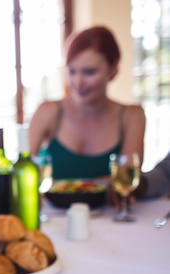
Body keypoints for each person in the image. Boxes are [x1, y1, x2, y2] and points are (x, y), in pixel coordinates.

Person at [29, 26, 145, 181]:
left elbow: (126, 179)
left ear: (113, 69)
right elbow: (23, 172)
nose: (78, 82)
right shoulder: (48, 111)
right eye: (72, 71)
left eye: (89, 72)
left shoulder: (131, 115)